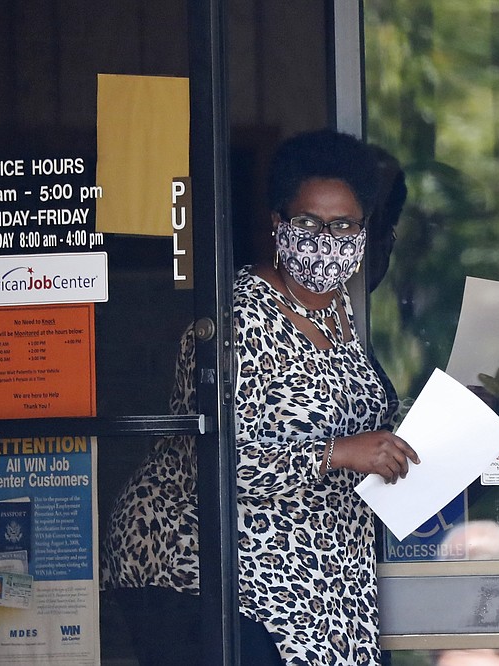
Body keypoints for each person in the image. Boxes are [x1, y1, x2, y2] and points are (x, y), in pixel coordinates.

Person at [103, 128, 419, 666]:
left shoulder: (339, 310)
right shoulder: (236, 318)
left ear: (364, 232)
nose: (326, 239)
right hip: (212, 578)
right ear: (278, 223)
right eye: (307, 222)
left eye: (343, 225)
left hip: (314, 580)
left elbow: (362, 419)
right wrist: (337, 452)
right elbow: (212, 455)